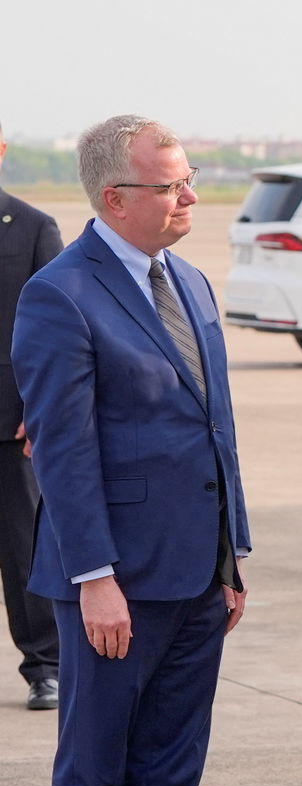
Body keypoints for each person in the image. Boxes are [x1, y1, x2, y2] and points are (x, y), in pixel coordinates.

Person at [12, 115, 256, 786]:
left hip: (196, 572)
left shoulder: (188, 279)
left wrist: (231, 556)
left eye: (188, 179)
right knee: (96, 762)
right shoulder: (60, 294)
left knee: (171, 762)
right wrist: (94, 579)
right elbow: (64, 451)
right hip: (113, 579)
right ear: (116, 198)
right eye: (172, 185)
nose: (190, 196)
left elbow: (215, 429)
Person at [0, 120, 63, 712]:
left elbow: (58, 330)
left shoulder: (32, 226)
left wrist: (38, 407)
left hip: (9, 422)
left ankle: (45, 666)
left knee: (24, 551)